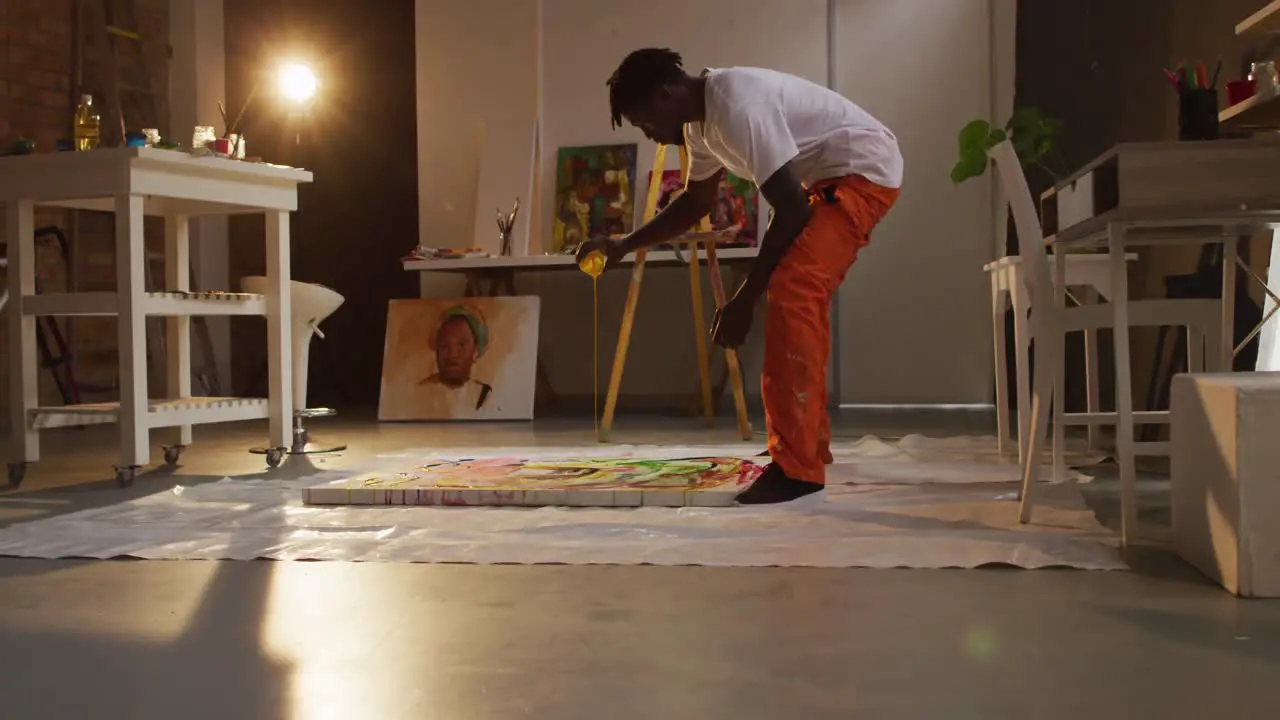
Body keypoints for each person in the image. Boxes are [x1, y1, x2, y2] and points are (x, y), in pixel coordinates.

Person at [578, 48, 902, 504]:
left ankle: (798, 469)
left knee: (794, 289)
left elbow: (790, 209)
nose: (650, 135)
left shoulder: (736, 105)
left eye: (644, 122)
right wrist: (623, 246)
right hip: (828, 181)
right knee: (796, 291)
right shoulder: (700, 127)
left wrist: (744, 301)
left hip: (862, 172)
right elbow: (694, 204)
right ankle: (807, 450)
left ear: (665, 95)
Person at [417, 305, 496, 417]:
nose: (452, 355)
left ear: (476, 350)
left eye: (461, 345)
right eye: (444, 346)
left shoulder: (484, 395)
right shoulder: (419, 393)